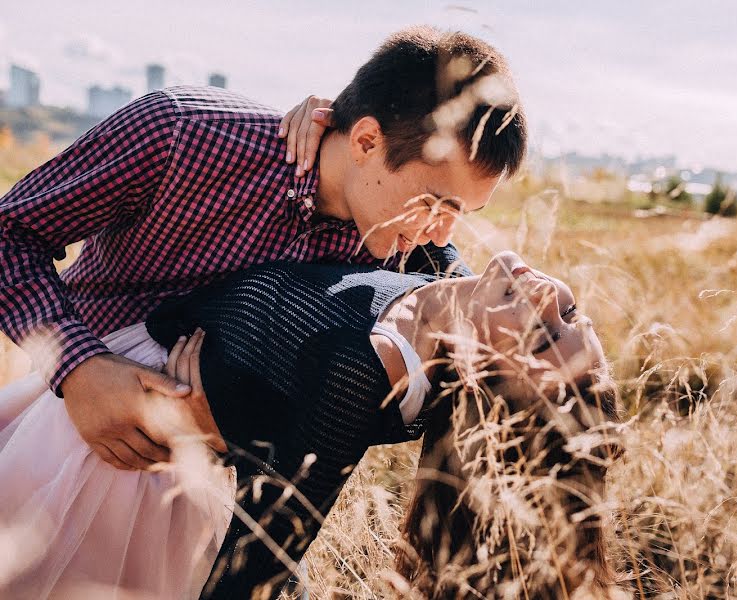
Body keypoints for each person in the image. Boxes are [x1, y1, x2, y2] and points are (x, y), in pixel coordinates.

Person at [0, 25, 526, 476]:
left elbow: (396, 379)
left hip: (209, 484)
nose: (440, 233)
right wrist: (77, 366)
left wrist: (247, 434)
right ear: (366, 142)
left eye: (460, 214)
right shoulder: (184, 133)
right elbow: (10, 232)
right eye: (436, 202)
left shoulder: (399, 237)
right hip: (69, 424)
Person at [0, 251, 614, 599]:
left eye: (541, 334)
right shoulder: (443, 270)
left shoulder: (362, 371)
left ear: (486, 382)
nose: (545, 295)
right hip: (84, 387)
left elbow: (266, 554)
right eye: (570, 312)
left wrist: (223, 432)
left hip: (117, 457)